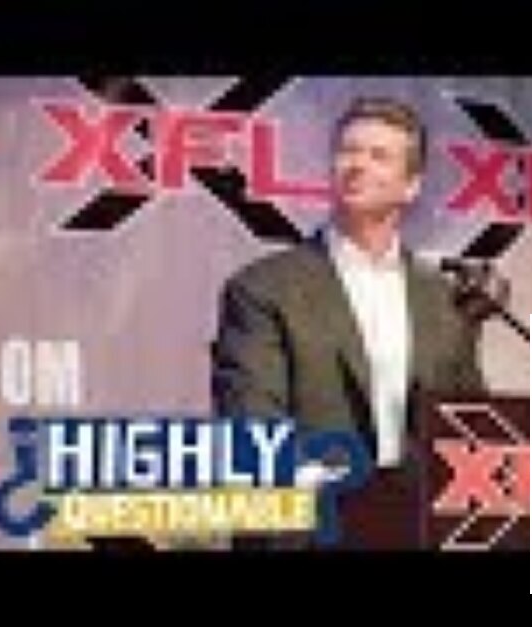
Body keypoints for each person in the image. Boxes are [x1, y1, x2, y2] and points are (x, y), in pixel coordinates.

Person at [210, 96, 504, 548]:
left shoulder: (444, 296)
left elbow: (467, 425)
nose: (356, 165)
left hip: (419, 528)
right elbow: (253, 427)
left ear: (411, 186)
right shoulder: (263, 289)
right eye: (347, 151)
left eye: (378, 156)